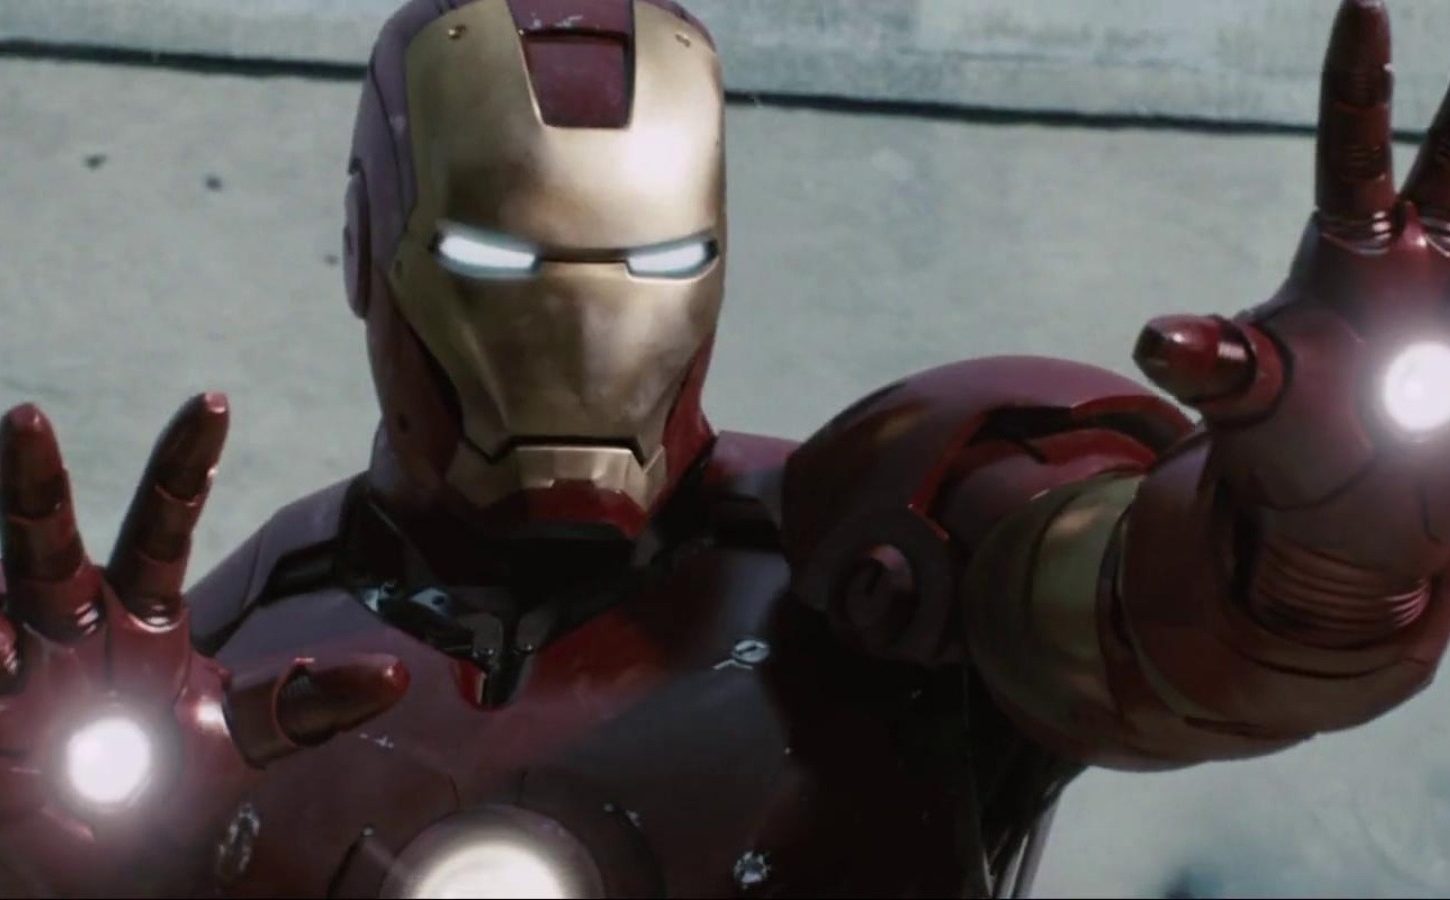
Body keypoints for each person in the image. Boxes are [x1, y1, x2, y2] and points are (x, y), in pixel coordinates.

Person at [1, 0, 1447, 896]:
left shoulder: (885, 552)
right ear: (370, 246)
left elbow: (1159, 626)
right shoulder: (237, 657)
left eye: (659, 257)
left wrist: (1326, 534)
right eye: (498, 256)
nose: (584, 327)